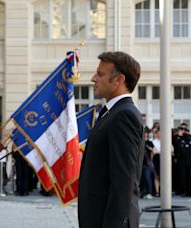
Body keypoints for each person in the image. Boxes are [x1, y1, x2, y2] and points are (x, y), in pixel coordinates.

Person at [78, 51, 144, 228]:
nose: (93, 78)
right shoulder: (111, 113)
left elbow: (123, 181)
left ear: (118, 80)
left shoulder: (123, 116)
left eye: (100, 74)